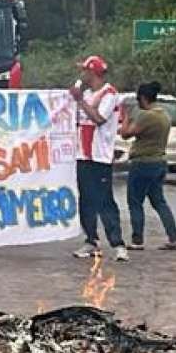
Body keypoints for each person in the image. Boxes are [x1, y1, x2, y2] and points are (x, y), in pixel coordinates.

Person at [69, 55, 128, 261]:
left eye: (84, 71)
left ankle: (118, 243)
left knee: (104, 200)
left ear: (92, 72)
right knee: (86, 199)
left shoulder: (109, 94)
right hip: (83, 155)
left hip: (100, 157)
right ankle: (91, 240)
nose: (82, 74)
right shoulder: (85, 93)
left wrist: (79, 101)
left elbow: (98, 119)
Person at [120, 82, 176, 252]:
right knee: (159, 202)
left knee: (135, 202)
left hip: (142, 163)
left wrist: (126, 116)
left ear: (143, 98)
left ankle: (137, 239)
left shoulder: (146, 116)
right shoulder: (165, 115)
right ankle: (175, 237)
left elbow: (125, 134)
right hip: (159, 162)